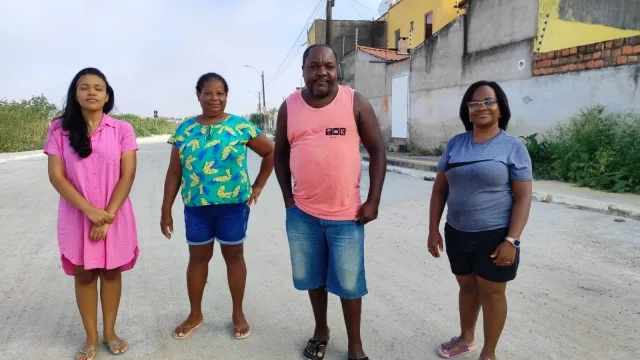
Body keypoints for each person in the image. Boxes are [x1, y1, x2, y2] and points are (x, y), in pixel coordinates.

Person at [274, 44, 387, 360]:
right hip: (302, 214)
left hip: (347, 215)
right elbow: (280, 154)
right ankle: (321, 330)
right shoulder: (289, 107)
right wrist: (288, 200)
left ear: (338, 69)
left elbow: (378, 151)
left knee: (350, 283)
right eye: (313, 66)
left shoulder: (355, 102)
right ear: (303, 70)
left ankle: (355, 346)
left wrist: (373, 201)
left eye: (328, 66)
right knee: (313, 278)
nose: (321, 72)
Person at [161, 72, 274, 341]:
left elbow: (270, 152)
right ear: (198, 95)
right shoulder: (184, 130)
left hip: (233, 206)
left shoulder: (241, 127)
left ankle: (237, 313)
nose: (214, 98)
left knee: (234, 257)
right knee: (197, 259)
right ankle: (195, 314)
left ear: (226, 96)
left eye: (220, 93)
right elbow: (174, 173)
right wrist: (166, 209)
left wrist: (257, 185)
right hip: (197, 207)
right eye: (208, 93)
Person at [427, 81, 533, 360]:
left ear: (501, 108)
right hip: (457, 232)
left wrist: (512, 240)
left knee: (493, 293)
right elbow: (440, 188)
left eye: (489, 102)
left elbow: (523, 198)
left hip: (495, 234)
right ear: (467, 110)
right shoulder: (455, 145)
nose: (481, 107)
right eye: (474, 103)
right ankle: (466, 338)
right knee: (467, 287)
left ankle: (489, 352)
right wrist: (433, 229)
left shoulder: (513, 148)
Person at [45, 67, 139, 360]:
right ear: (75, 94)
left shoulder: (122, 129)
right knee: (84, 275)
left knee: (111, 272)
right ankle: (91, 337)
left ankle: (110, 332)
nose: (91, 92)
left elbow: (127, 175)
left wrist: (106, 215)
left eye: (98, 88)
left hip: (115, 213)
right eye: (84, 87)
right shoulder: (59, 129)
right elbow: (57, 176)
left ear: (107, 95)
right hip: (77, 215)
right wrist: (90, 211)